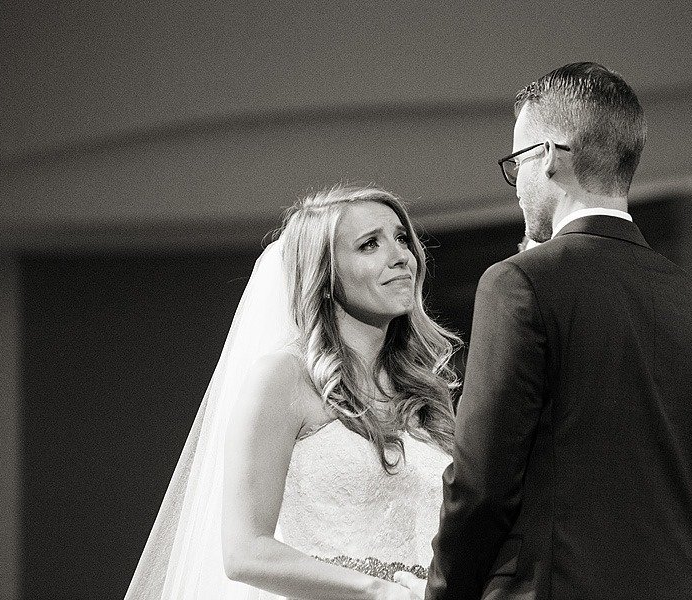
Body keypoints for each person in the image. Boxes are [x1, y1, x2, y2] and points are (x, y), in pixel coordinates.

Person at [397, 62, 692, 600]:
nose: (516, 187)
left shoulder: (519, 283)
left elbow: (482, 483)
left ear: (549, 157)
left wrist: (445, 594)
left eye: (517, 162)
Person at [124, 184, 461, 599]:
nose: (401, 256)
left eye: (402, 238)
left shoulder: (426, 390)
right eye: (369, 244)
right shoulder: (283, 378)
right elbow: (245, 552)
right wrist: (380, 592)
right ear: (324, 275)